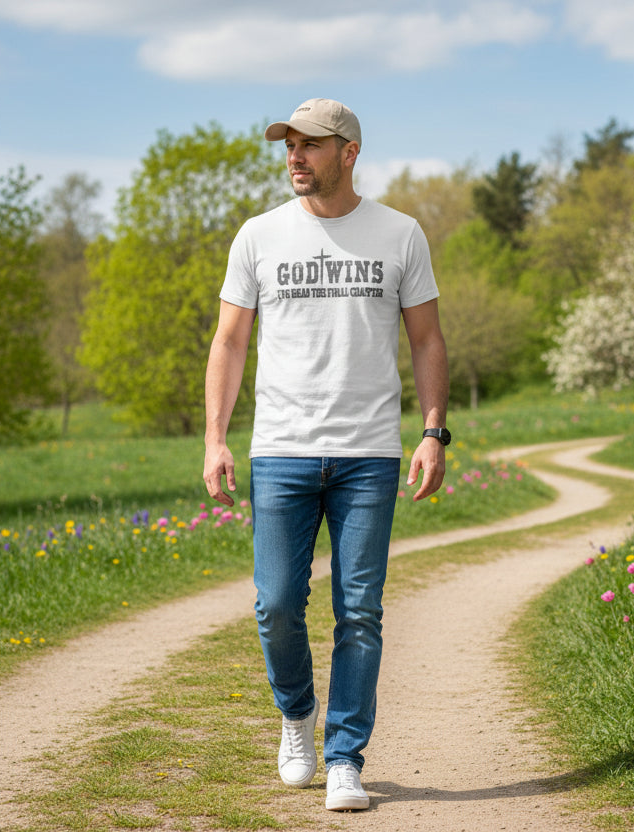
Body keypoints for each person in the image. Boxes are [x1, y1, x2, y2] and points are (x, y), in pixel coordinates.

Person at [202, 98, 450, 812]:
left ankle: (344, 756)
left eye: (311, 144)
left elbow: (427, 340)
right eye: (289, 144)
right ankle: (297, 714)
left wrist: (434, 433)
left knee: (359, 611)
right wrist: (216, 437)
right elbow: (229, 342)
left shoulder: (400, 234)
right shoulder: (258, 235)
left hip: (368, 452)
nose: (295, 157)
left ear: (349, 151)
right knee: (276, 603)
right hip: (280, 449)